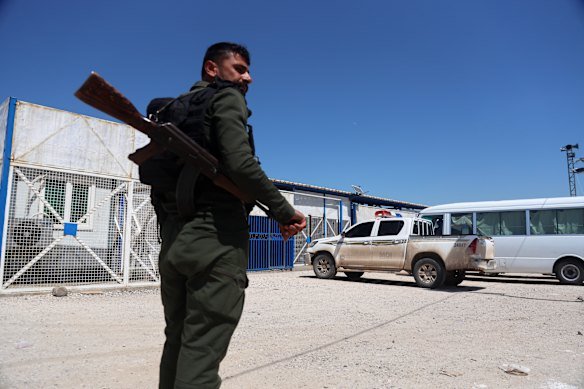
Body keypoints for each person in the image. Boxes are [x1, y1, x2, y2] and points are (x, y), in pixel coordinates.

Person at [150, 42, 306, 389]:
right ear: (212, 69)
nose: (248, 77)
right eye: (240, 68)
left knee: (177, 340)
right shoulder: (226, 97)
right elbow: (241, 163)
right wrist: (284, 211)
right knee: (202, 350)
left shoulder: (174, 111)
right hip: (214, 238)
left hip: (174, 241)